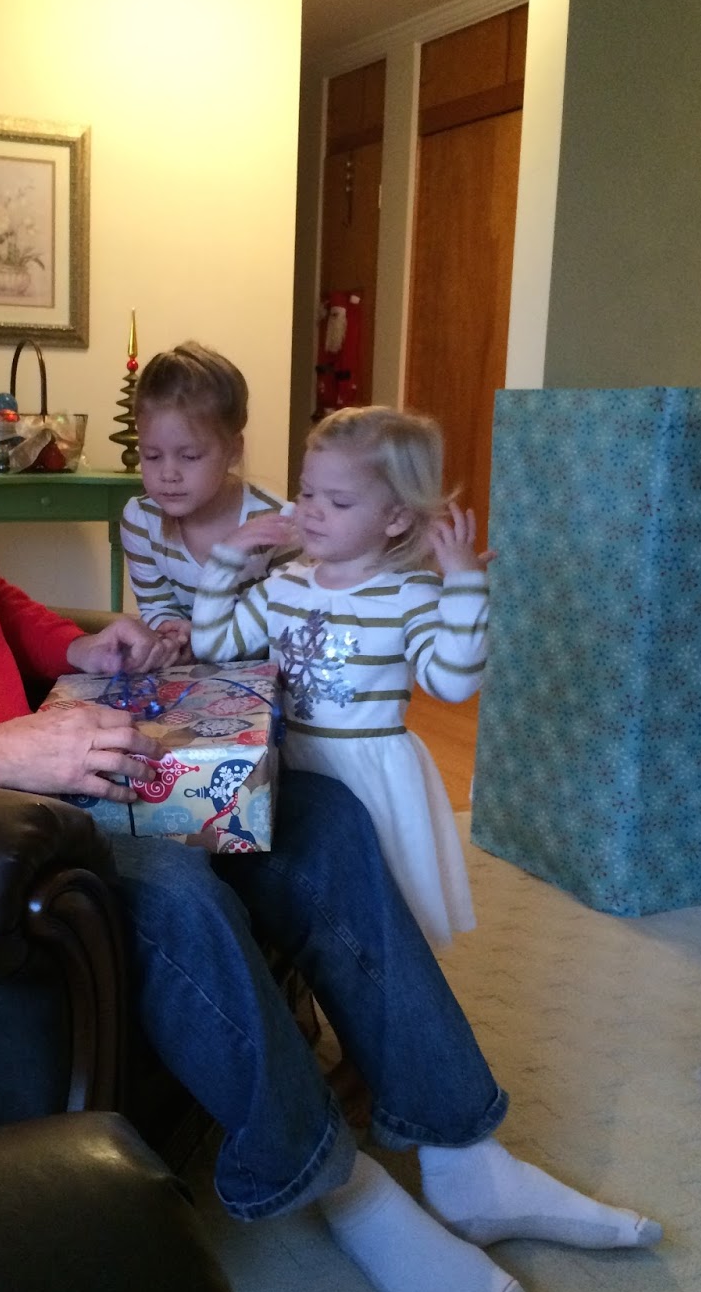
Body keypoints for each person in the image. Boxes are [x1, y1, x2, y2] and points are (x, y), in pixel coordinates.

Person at [0, 254, 661, 1292]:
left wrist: (74, 646)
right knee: (169, 888)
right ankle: (339, 1186)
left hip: (51, 746)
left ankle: (463, 1152)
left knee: (317, 813)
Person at [193, 404, 485, 953]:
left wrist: (465, 586)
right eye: (306, 492)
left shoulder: (411, 594)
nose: (312, 511)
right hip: (289, 764)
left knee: (373, 914)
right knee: (294, 899)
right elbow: (214, 645)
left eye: (339, 501)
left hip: (369, 778)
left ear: (396, 518)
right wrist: (226, 559)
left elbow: (452, 682)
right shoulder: (284, 584)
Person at [119, 342, 296, 663]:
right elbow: (157, 608)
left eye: (189, 456)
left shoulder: (274, 523)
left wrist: (206, 636)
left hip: (257, 674)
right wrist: (174, 634)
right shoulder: (140, 521)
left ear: (233, 450)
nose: (168, 473)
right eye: (152, 456)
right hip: (184, 674)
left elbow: (287, 618)